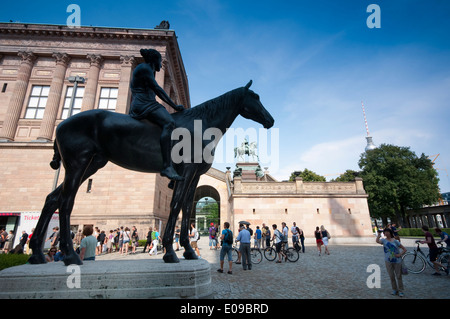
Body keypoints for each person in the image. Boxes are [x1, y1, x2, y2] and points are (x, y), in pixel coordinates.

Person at [129, 48, 185, 181]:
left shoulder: (148, 69)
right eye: (160, 61)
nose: (161, 64)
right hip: (143, 104)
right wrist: (174, 106)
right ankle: (166, 166)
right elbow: (158, 89)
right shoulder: (145, 68)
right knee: (169, 122)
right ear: (155, 60)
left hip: (147, 102)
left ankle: (172, 165)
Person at [376, 228, 407, 297]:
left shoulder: (395, 241)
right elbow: (377, 241)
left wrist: (399, 254)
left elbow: (404, 249)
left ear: (390, 233)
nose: (386, 233)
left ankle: (401, 290)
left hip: (397, 261)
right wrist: (378, 235)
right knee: (391, 276)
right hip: (388, 261)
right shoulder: (384, 241)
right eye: (385, 232)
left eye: (387, 232)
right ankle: (394, 289)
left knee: (398, 276)